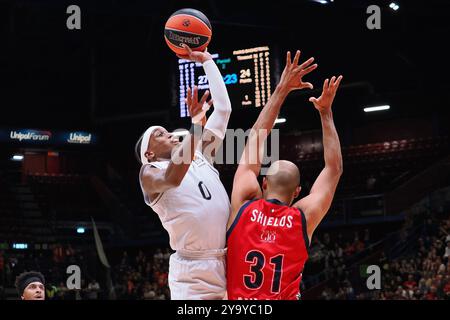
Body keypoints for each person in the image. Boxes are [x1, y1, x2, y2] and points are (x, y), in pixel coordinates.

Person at [226, 50, 343, 300]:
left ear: (264, 182)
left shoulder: (244, 205)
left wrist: (281, 90)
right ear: (298, 192)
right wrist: (325, 112)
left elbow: (257, 136)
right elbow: (334, 169)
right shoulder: (303, 218)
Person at [137, 44, 232, 299]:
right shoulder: (149, 173)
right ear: (149, 153)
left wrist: (208, 62)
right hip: (192, 271)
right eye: (159, 134)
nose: (168, 134)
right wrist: (195, 126)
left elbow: (223, 111)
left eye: (167, 131)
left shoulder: (199, 154)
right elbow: (173, 178)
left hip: (227, 260)